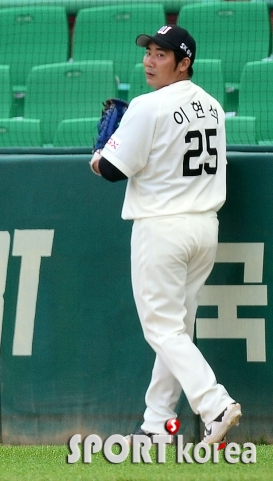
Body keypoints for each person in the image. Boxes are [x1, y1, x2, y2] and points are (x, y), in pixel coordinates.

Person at [89, 25, 241, 444]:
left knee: (162, 330)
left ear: (184, 62)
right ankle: (157, 424)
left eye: (161, 54)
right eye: (149, 52)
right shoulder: (212, 106)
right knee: (176, 331)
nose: (149, 61)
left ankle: (215, 404)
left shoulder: (148, 106)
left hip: (162, 227)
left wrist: (98, 155)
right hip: (203, 227)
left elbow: (112, 171)